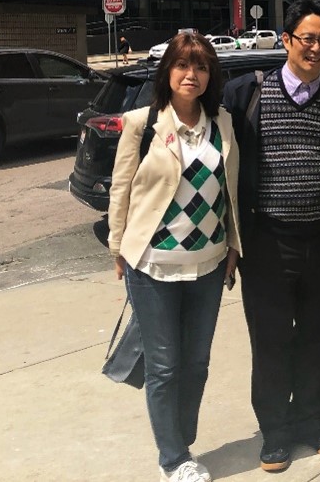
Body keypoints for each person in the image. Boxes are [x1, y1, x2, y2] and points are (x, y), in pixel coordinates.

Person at [222, 0, 320, 473]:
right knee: (272, 338)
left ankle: (312, 419)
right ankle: (275, 431)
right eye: (308, 39)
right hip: (268, 242)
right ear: (286, 40)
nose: (317, 48)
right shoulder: (246, 93)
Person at [108, 32, 242, 482]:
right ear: (167, 72)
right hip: (153, 265)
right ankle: (174, 457)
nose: (192, 75)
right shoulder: (142, 123)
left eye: (201, 66)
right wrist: (116, 246)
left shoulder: (221, 123)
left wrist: (234, 246)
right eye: (183, 66)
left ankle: (180, 440)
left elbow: (230, 192)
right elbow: (122, 189)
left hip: (209, 261)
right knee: (164, 366)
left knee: (197, 364)